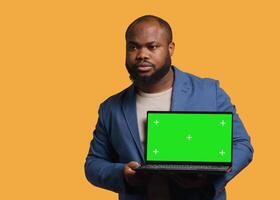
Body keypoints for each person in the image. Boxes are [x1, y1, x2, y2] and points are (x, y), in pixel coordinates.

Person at [84, 15, 254, 200]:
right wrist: (122, 174)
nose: (142, 54)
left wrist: (209, 178)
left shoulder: (209, 91)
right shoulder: (110, 108)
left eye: (152, 46)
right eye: (133, 47)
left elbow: (242, 145)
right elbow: (93, 164)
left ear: (170, 49)